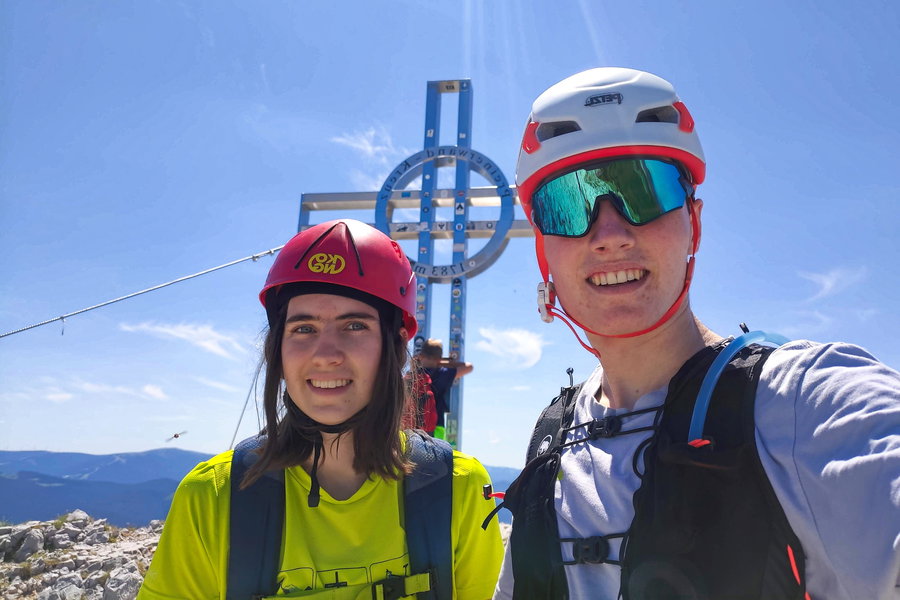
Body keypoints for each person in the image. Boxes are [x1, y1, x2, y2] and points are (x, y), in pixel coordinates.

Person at [492, 68, 900, 600]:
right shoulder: (552, 438)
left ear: (695, 224)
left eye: (644, 191)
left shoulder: (802, 404)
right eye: (567, 205)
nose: (610, 235)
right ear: (544, 251)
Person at [138, 219, 503, 599]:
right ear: (278, 349)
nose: (326, 354)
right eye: (304, 329)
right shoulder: (211, 499)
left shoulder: (457, 489)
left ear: (394, 348)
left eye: (355, 326)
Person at [416, 339, 474, 440]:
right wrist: (444, 362)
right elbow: (469, 367)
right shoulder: (443, 374)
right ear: (439, 358)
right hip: (437, 427)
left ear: (421, 355)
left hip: (413, 428)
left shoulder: (413, 374)